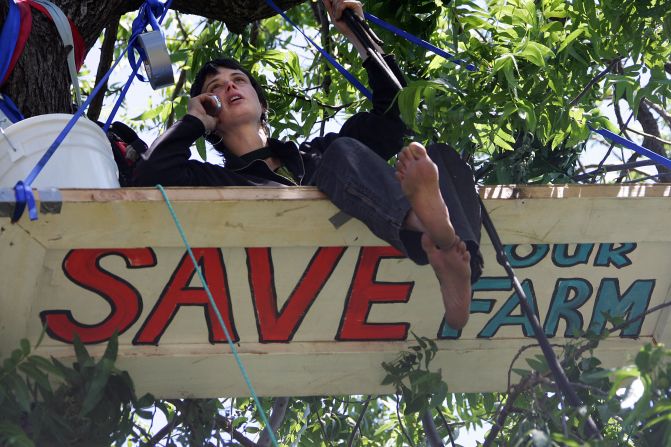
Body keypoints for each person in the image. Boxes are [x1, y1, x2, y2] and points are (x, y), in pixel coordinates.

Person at [134, 0, 483, 329]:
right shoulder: (215, 180)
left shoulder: (316, 154)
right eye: (216, 89)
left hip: (360, 234)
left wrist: (358, 33)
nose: (229, 87)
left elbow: (393, 118)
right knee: (343, 152)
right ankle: (426, 225)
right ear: (211, 110)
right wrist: (195, 120)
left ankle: (455, 261)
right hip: (284, 267)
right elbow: (150, 176)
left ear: (259, 100)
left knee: (439, 157)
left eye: (238, 80)